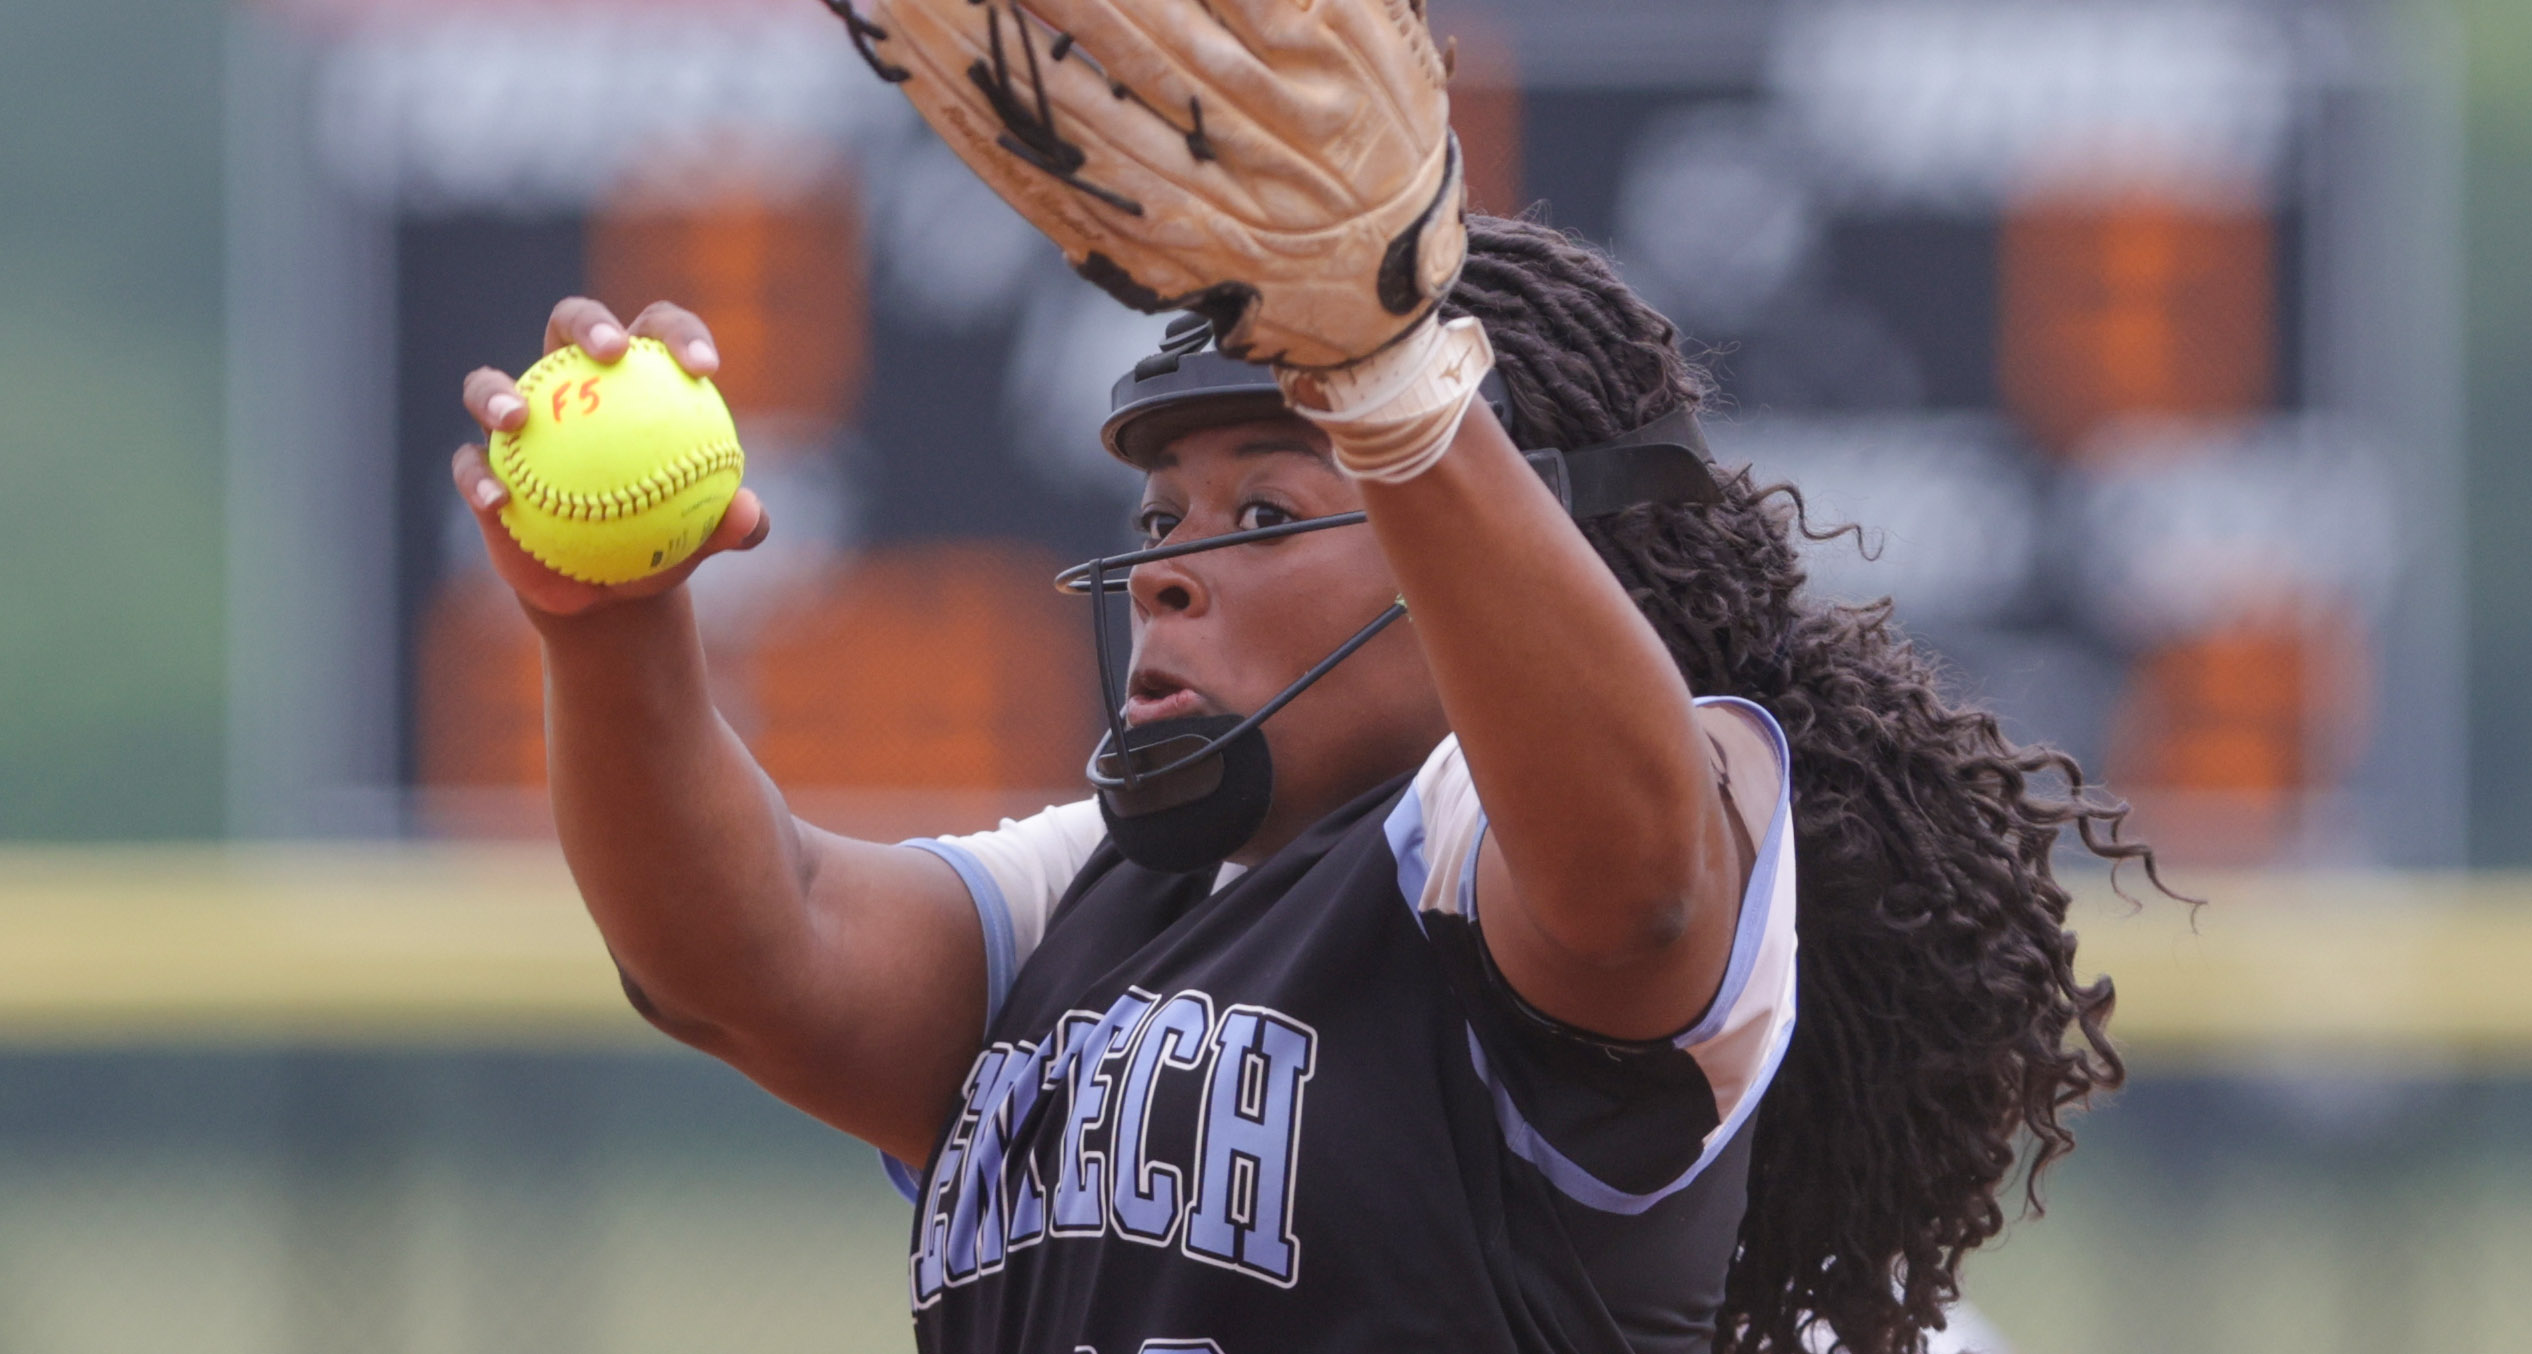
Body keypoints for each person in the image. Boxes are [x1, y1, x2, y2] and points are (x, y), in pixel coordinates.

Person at [451, 217, 2164, 1354]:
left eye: (1269, 514)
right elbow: (754, 952)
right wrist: (608, 632)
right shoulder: (1106, 901)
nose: (1172, 576)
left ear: (1517, 543)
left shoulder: (1521, 854)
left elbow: (1636, 872)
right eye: (1161, 527)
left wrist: (1393, 374)